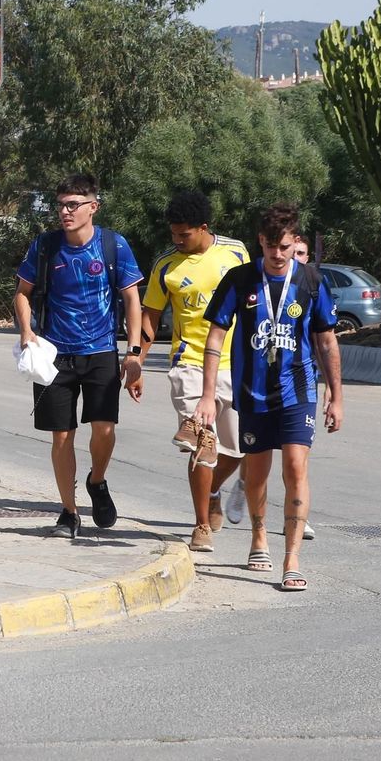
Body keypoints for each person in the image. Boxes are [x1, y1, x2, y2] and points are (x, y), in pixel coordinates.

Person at [198, 204, 342, 591]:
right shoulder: (239, 279)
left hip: (298, 391)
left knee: (295, 468)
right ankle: (258, 538)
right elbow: (214, 337)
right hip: (253, 393)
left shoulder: (311, 281)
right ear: (259, 241)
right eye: (269, 246)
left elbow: (326, 341)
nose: (277, 255)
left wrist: (336, 396)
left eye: (284, 247)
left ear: (297, 241)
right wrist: (208, 396)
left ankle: (291, 559)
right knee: (257, 472)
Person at [13, 173, 144, 539]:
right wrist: (27, 333)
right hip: (54, 354)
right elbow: (23, 293)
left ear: (93, 207)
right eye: (61, 205)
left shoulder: (113, 246)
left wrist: (134, 352)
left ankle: (97, 480)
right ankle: (68, 513)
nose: (65, 212)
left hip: (101, 350)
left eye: (74, 205)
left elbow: (132, 298)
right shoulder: (45, 246)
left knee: (104, 430)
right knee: (61, 437)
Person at [137, 191, 248, 554]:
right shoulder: (165, 266)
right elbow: (150, 315)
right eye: (173, 234)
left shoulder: (236, 253)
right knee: (203, 443)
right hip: (190, 365)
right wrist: (136, 358)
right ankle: (201, 524)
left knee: (237, 450)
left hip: (234, 363)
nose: (177, 241)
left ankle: (213, 490)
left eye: (184, 235)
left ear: (203, 228)